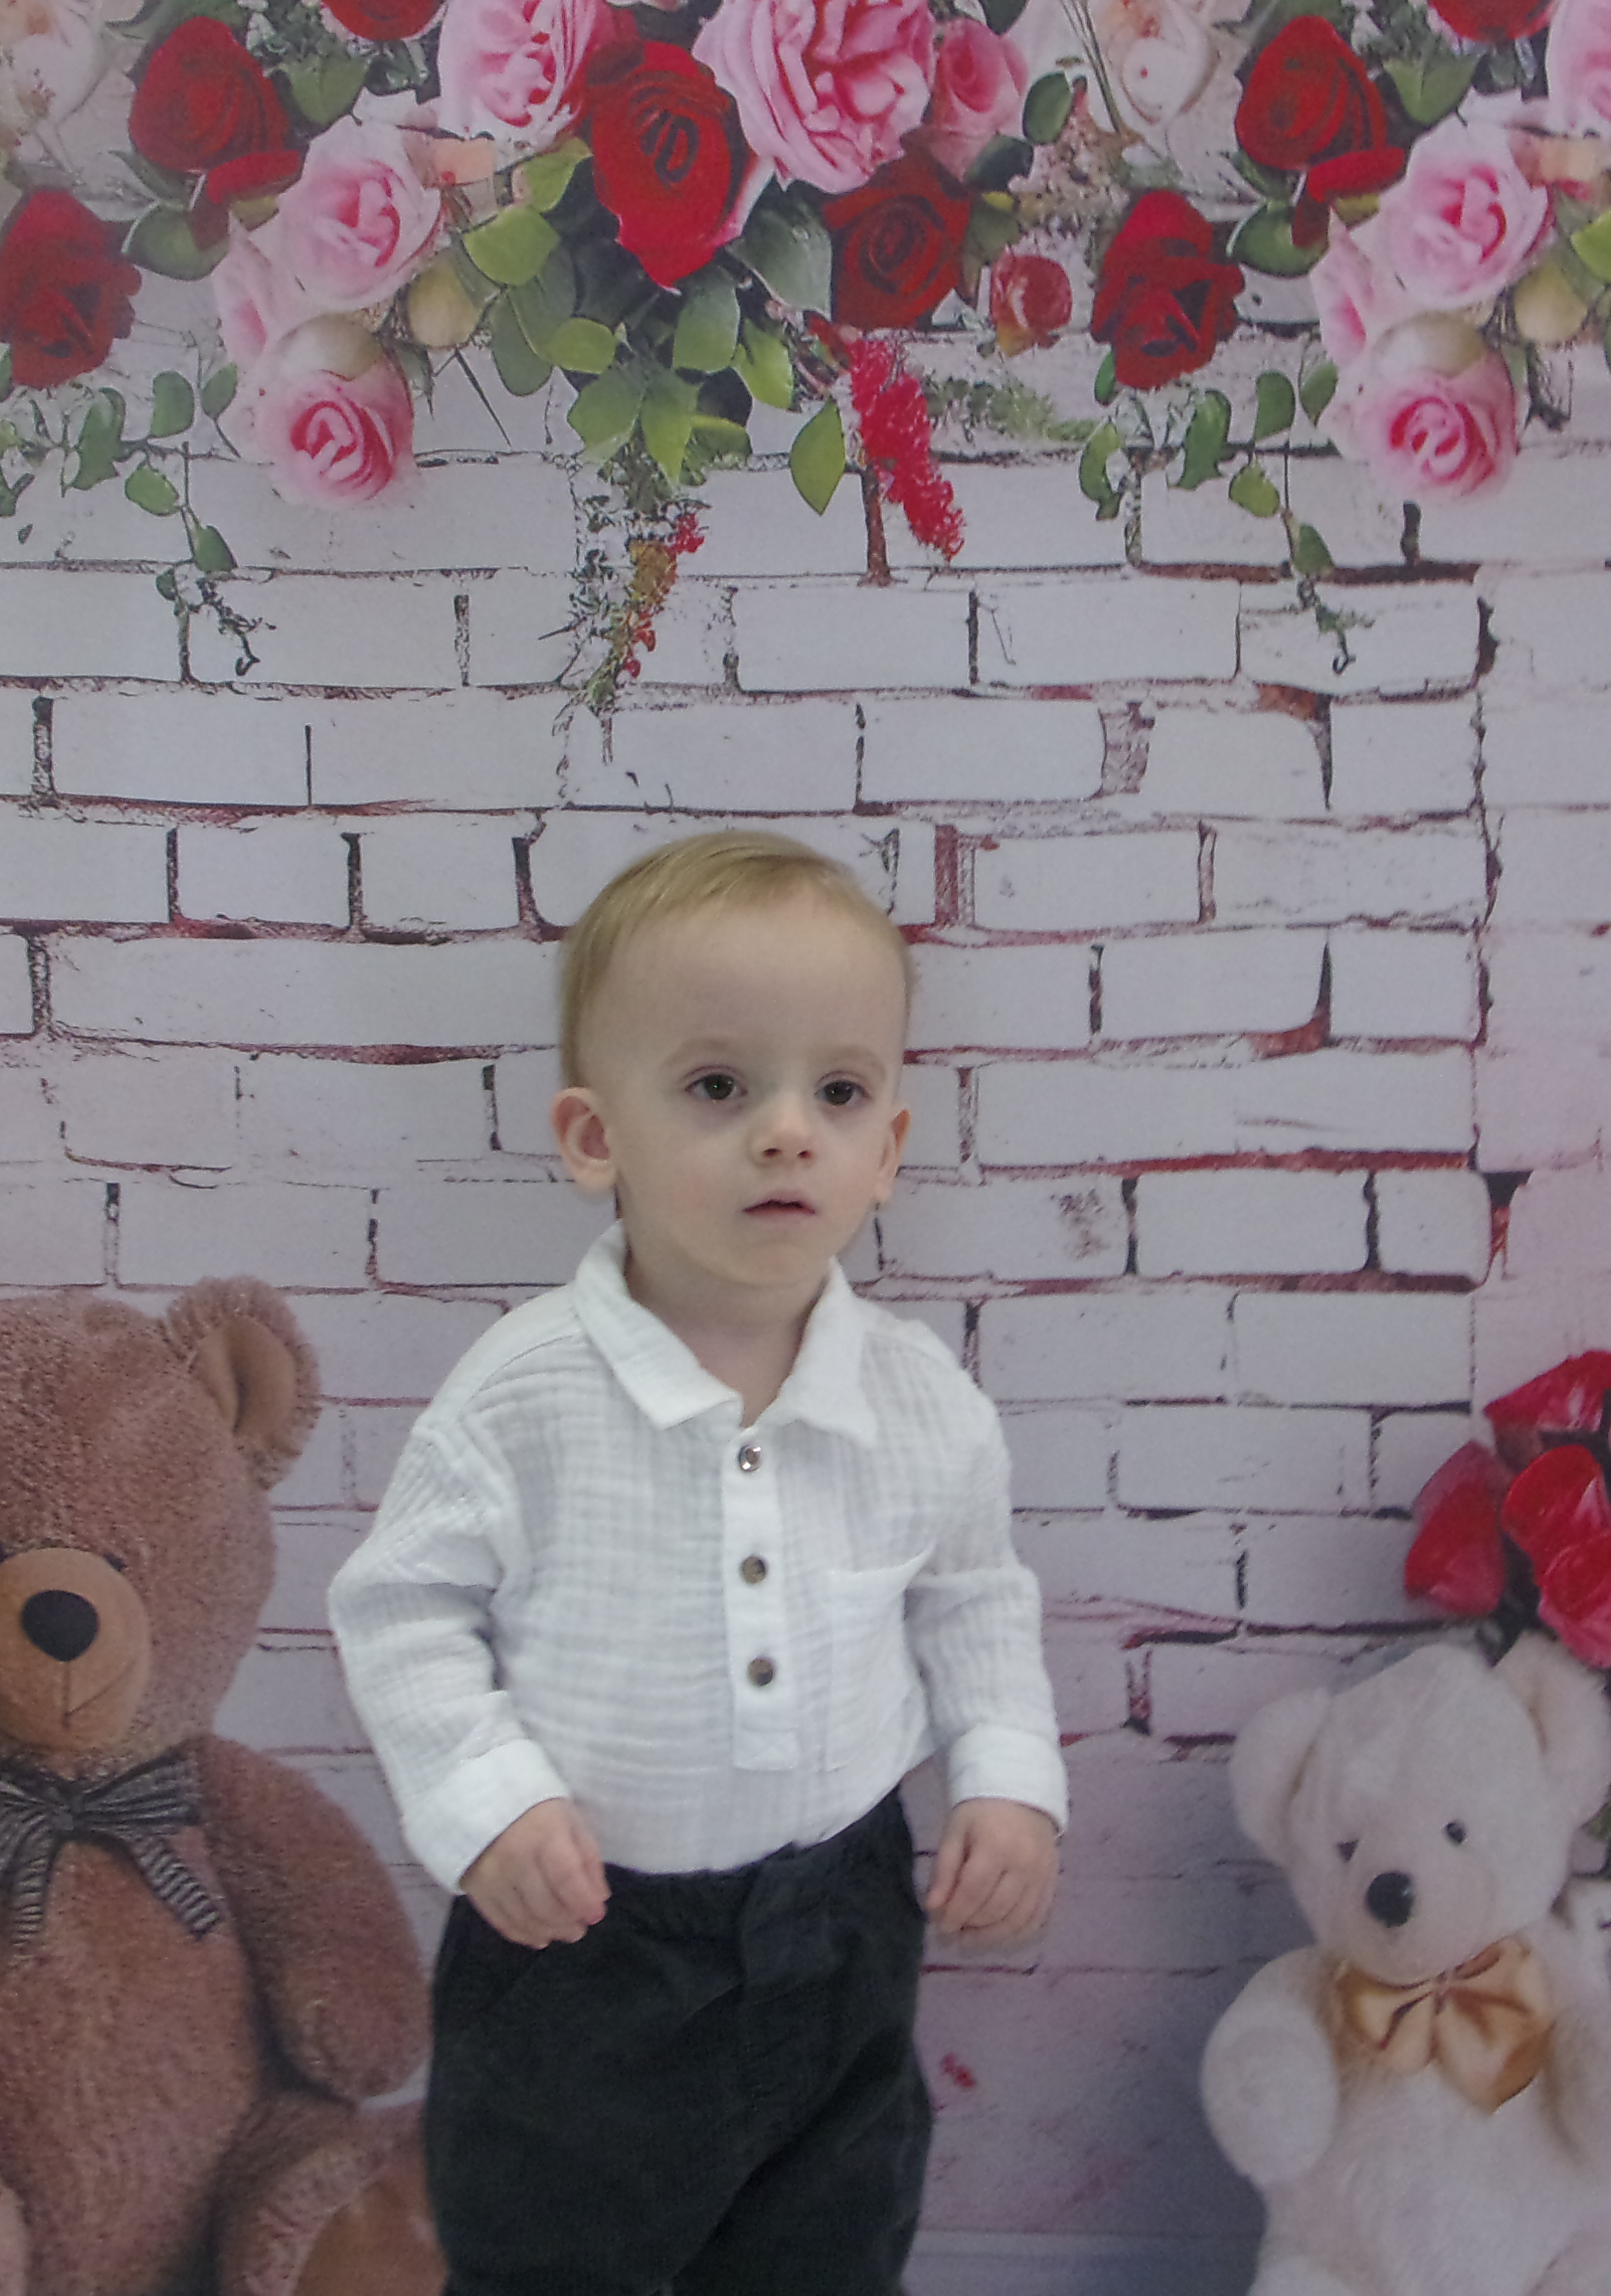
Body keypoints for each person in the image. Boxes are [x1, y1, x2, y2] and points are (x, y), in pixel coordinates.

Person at [329, 829, 1066, 2296]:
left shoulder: (918, 1397)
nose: (788, 1132)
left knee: (829, 2245)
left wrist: (1006, 1776)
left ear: (888, 1150)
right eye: (721, 1088)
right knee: (547, 2257)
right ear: (596, 1138)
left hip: (843, 1917)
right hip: (583, 1939)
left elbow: (972, 1596)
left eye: (836, 1093)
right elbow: (405, 1609)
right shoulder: (524, 1393)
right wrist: (489, 1800)